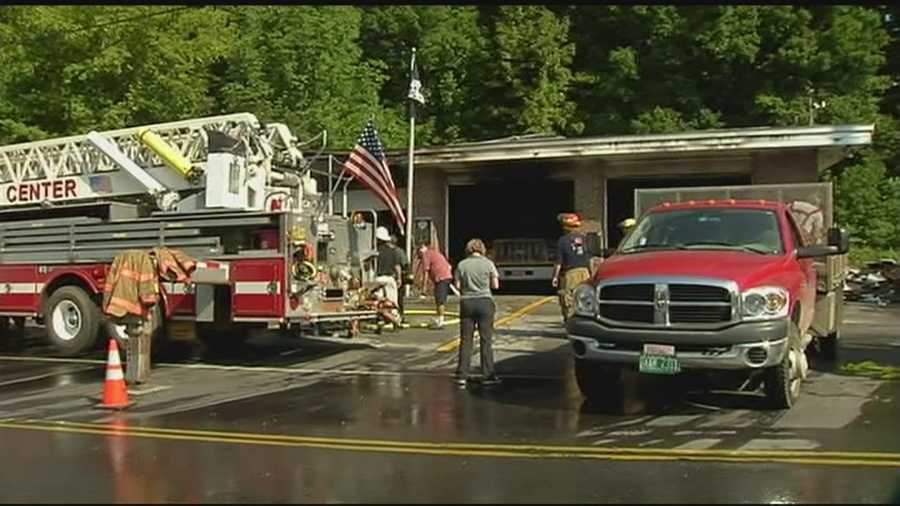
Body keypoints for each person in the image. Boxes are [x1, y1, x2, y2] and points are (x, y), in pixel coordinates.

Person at [454, 238, 501, 388]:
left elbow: (457, 285)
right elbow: (495, 285)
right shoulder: (488, 263)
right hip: (485, 302)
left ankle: (462, 375)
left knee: (466, 340)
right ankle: (488, 375)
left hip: (467, 302)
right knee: (486, 339)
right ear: (482, 249)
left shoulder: (462, 264)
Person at [552, 212, 593, 323]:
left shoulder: (562, 241)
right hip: (585, 272)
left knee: (567, 299)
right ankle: (586, 322)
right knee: (585, 298)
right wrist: (591, 273)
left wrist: (555, 277)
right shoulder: (584, 239)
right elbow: (588, 258)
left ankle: (571, 324)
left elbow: (559, 262)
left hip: (570, 273)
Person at [417, 241, 453, 329]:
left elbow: (425, 272)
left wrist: (424, 288)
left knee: (440, 299)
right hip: (445, 275)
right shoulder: (434, 252)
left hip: (441, 277)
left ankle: (440, 321)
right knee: (438, 298)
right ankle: (439, 319)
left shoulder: (426, 255)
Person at [374, 226, 403, 329]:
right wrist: (399, 278)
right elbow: (397, 266)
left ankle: (382, 320)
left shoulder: (375, 252)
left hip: (378, 279)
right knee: (392, 302)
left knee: (378, 302)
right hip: (390, 278)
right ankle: (395, 319)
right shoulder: (393, 251)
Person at [389, 234, 410, 322]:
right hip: (398, 277)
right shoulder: (401, 251)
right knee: (399, 297)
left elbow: (400, 265)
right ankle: (400, 315)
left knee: (394, 297)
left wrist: (398, 277)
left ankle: (396, 316)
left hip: (395, 276)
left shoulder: (395, 252)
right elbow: (406, 264)